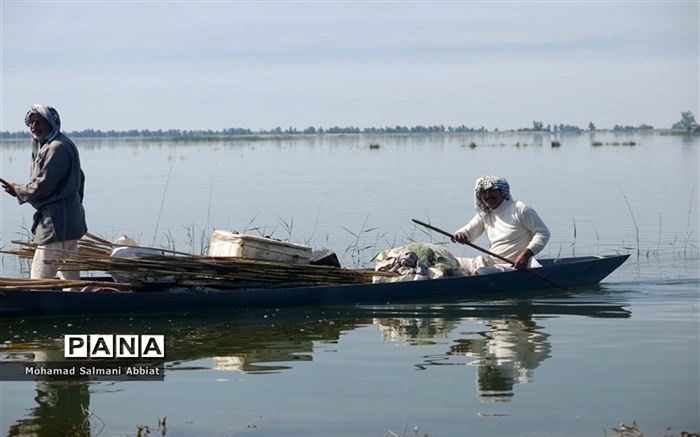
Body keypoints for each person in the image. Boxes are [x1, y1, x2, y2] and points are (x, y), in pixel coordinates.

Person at [1, 104, 87, 280]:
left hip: (56, 223)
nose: (33, 126)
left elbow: (43, 185)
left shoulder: (57, 147)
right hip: (68, 221)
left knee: (39, 278)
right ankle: (75, 303)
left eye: (38, 121)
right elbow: (81, 180)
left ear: (51, 123)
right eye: (30, 122)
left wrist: (17, 190)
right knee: (70, 279)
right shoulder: (50, 146)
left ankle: (37, 304)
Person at [453, 175, 549, 275]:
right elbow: (469, 230)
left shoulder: (519, 208)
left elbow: (543, 233)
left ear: (502, 192)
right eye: (483, 192)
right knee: (447, 260)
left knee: (480, 272)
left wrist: (525, 255)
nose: (487, 195)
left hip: (513, 266)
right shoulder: (485, 214)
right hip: (489, 263)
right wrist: (461, 234)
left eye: (492, 191)